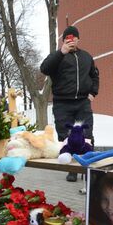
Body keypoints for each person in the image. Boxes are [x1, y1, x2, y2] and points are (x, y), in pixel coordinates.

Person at [40, 25, 99, 182]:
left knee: (86, 135)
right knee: (66, 136)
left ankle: (88, 169)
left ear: (78, 39)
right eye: (67, 38)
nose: (71, 41)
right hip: (62, 104)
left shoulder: (86, 57)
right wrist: (61, 52)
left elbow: (94, 76)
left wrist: (93, 92)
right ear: (64, 40)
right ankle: (71, 169)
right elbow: (44, 69)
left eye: (74, 38)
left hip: (82, 103)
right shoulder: (57, 56)